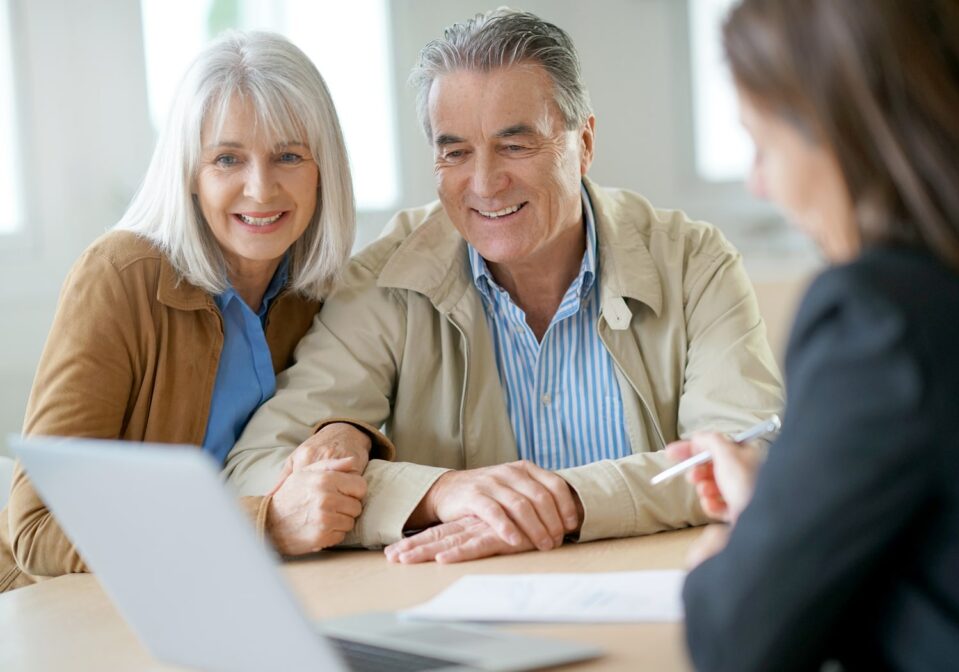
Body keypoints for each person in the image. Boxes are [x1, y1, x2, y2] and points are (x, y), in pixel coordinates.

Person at [224, 9, 783, 564]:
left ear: (583, 142)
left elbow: (747, 454)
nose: (486, 183)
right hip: (461, 606)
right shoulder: (383, 280)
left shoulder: (694, 263)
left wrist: (567, 502)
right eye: (456, 151)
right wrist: (437, 494)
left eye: (516, 145)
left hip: (663, 594)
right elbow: (255, 470)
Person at [668, 1, 959, 669]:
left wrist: (736, 559)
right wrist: (790, 498)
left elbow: (738, 640)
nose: (757, 182)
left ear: (842, 133)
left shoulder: (878, 317)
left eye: (763, 144)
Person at [0, 31, 387, 593]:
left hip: (231, 591)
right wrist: (265, 526)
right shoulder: (120, 276)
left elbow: (338, 411)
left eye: (288, 156)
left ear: (323, 169)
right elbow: (36, 530)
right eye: (227, 158)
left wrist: (348, 432)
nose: (260, 188)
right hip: (72, 607)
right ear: (190, 173)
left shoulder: (316, 292)